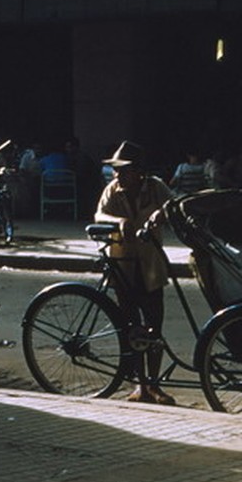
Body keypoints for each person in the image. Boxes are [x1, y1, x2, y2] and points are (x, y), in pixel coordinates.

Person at [93, 141, 174, 405]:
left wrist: (161, 215)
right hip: (123, 266)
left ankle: (154, 384)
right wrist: (120, 221)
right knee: (131, 328)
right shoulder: (112, 190)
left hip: (150, 266)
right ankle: (140, 385)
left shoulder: (155, 187)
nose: (118, 175)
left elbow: (174, 207)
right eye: (116, 170)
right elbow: (99, 215)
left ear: (138, 171)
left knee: (154, 327)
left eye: (124, 170)